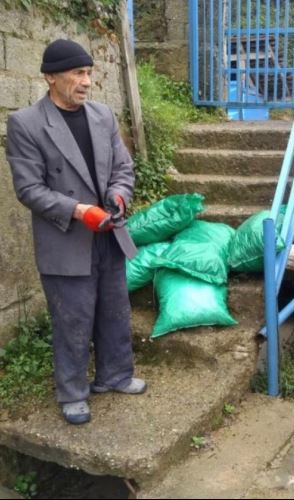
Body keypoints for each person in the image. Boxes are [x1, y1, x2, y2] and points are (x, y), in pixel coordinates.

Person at [6, 39, 146, 426]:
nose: (86, 81)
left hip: (108, 233)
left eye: (88, 73)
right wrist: (79, 210)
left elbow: (123, 168)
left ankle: (114, 375)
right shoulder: (27, 124)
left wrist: (118, 196)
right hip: (66, 238)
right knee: (72, 319)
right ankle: (72, 392)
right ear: (51, 77)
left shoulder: (103, 116)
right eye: (77, 73)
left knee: (115, 310)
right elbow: (29, 189)